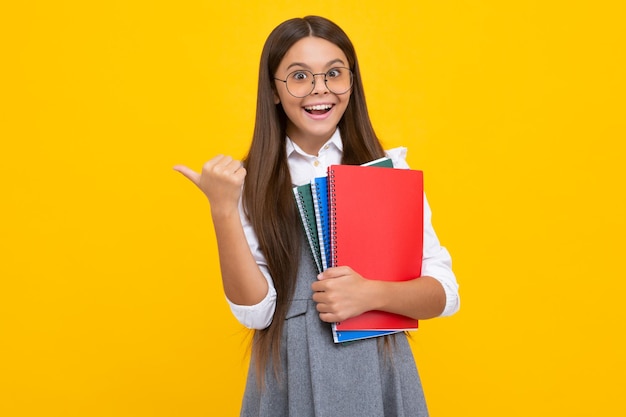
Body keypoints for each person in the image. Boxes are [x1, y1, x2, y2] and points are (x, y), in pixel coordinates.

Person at [174, 15, 459, 417]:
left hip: (377, 374)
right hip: (287, 377)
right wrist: (222, 208)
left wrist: (371, 294)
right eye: (299, 76)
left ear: (351, 82)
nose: (320, 89)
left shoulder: (386, 170)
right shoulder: (248, 182)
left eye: (334, 73)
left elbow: (445, 294)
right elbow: (256, 312)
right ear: (273, 90)